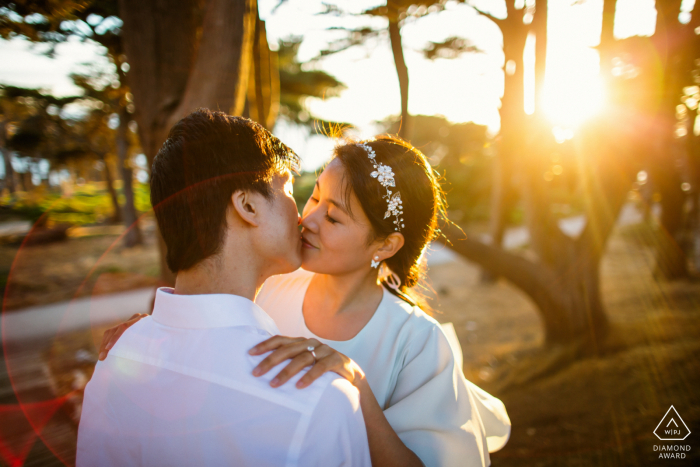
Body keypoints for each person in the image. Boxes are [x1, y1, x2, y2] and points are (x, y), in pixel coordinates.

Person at [101, 135, 511, 466]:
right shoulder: (276, 284)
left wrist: (357, 386)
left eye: (333, 218)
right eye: (314, 197)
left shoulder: (415, 340)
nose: (309, 219)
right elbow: (214, 319)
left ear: (385, 245)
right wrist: (158, 330)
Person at [77, 109, 371, 467]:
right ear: (247, 205)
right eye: (289, 190)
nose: (302, 217)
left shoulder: (116, 358)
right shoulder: (321, 399)